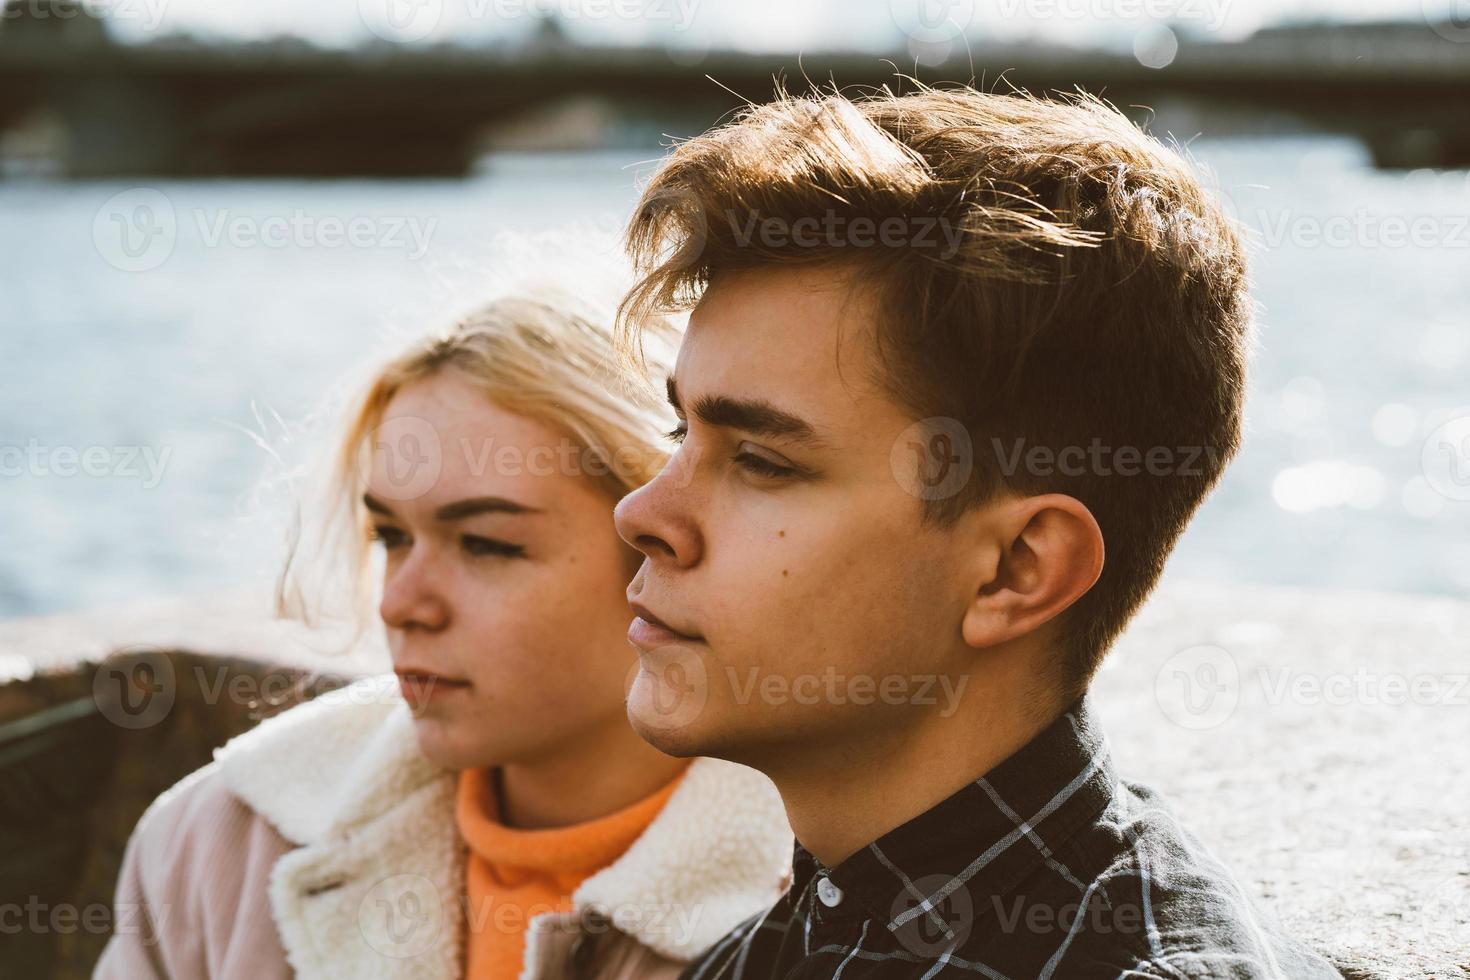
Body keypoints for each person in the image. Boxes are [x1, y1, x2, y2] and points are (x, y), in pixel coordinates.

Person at [612, 87, 1343, 978]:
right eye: (681, 432)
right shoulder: (760, 954)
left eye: (763, 461)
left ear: (1016, 570)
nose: (642, 514)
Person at [95, 277, 793, 980]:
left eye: (487, 544)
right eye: (391, 536)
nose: (401, 601)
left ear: (658, 545)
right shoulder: (222, 844)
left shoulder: (826, 903)